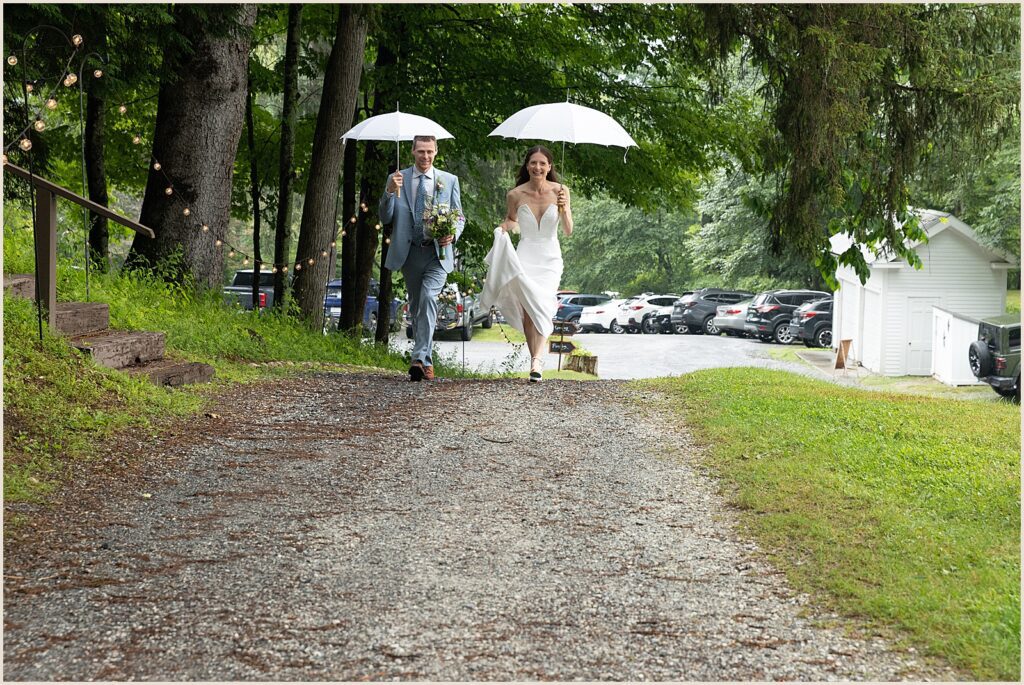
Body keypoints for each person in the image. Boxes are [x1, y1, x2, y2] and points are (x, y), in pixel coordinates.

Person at [480, 145, 573, 382]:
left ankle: (536, 360)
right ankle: (536, 362)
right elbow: (512, 221)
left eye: (543, 163)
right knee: (529, 310)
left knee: (541, 303)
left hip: (550, 257)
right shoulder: (515, 194)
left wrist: (564, 209)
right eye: (533, 163)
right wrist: (502, 229)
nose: (538, 167)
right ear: (527, 166)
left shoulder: (561, 191)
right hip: (525, 255)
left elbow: (568, 230)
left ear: (550, 167)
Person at [379, 135, 465, 382]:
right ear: (413, 152)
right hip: (409, 252)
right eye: (421, 152)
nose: (425, 157)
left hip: (437, 253)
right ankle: (425, 361)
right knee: (417, 306)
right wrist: (388, 192)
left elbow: (459, 217)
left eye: (430, 151)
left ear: (436, 152)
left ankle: (418, 358)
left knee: (429, 296)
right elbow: (386, 217)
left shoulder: (449, 181)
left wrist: (453, 233)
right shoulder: (398, 179)